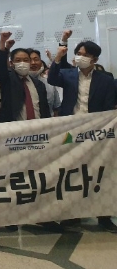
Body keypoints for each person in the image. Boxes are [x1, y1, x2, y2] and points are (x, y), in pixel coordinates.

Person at [48, 41, 117, 232]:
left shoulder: (106, 79)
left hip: (97, 131)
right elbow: (52, 79)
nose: (80, 57)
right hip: (71, 131)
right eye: (78, 53)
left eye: (85, 54)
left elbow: (108, 106)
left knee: (101, 172)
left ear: (94, 59)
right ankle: (73, 214)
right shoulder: (68, 74)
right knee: (73, 172)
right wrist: (58, 57)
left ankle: (104, 216)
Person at [0, 33, 50, 122]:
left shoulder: (39, 84)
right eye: (18, 60)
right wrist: (2, 42)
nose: (22, 63)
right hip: (14, 128)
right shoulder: (7, 80)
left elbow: (45, 109)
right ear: (12, 63)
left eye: (26, 60)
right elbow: (0, 66)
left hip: (38, 127)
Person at [28, 49, 61, 115]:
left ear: (41, 62)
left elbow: (56, 108)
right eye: (29, 60)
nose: (33, 63)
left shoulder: (49, 83)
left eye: (36, 59)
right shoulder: (17, 84)